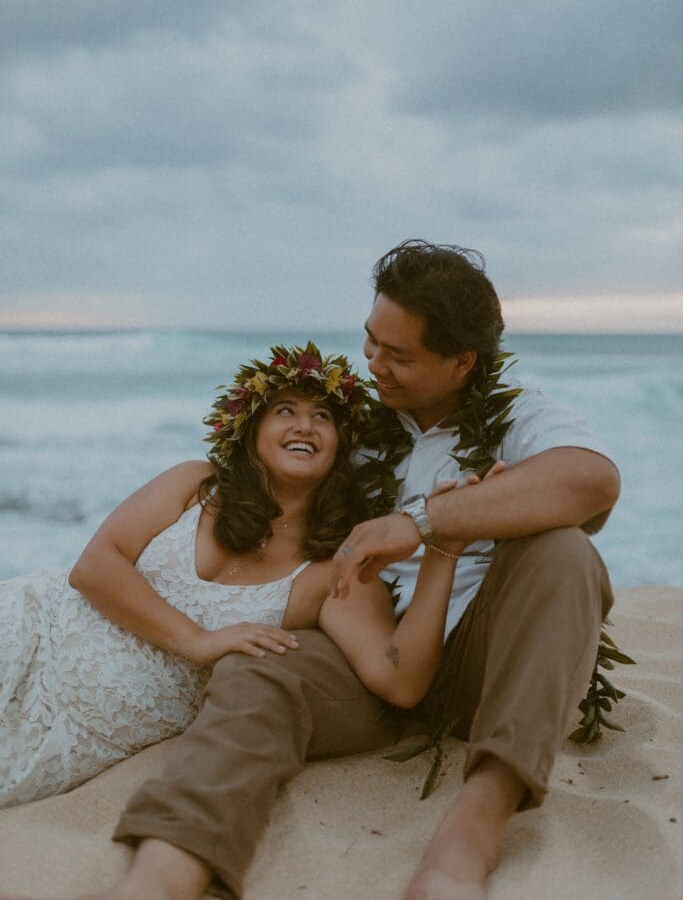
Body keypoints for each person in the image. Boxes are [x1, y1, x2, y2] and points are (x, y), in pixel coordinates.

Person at [9, 240, 619, 900]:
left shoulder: (520, 415)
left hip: (489, 660)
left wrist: (426, 524)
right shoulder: (357, 428)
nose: (373, 364)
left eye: (398, 356)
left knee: (565, 551)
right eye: (370, 342)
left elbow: (589, 481)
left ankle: (468, 836)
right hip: (366, 655)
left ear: (461, 361)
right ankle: (167, 867)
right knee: (258, 665)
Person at [0, 341, 490, 811]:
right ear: (251, 430)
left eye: (323, 416)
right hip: (28, 631)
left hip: (75, 732)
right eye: (286, 411)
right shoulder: (194, 484)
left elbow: (399, 681)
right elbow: (94, 568)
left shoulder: (327, 572)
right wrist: (196, 640)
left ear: (340, 446)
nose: (307, 425)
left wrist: (443, 547)